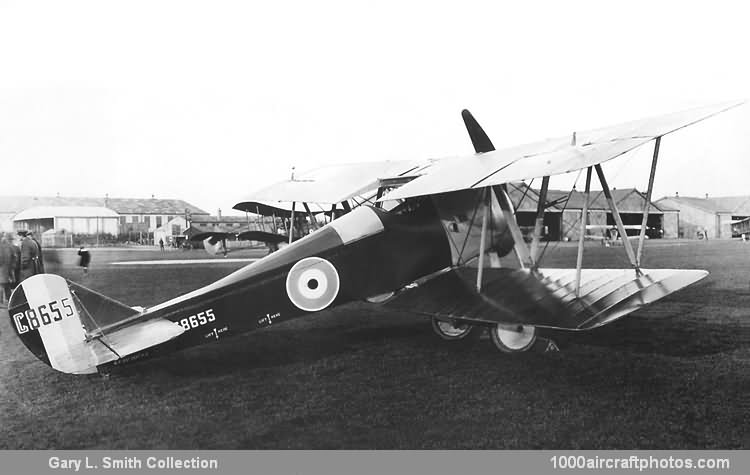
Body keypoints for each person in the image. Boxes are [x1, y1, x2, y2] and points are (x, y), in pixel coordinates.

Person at [0, 233, 13, 305]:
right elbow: (14, 257)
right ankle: (10, 300)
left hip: (1, 269)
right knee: (6, 285)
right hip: (7, 268)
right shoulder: (8, 246)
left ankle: (0, 302)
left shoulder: (1, 247)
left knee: (1, 286)